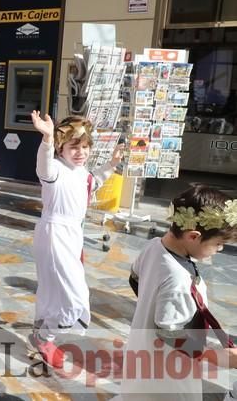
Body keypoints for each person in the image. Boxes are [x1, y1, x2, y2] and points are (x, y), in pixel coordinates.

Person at [117, 185, 237, 400]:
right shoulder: (178, 279)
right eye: (218, 244)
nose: (218, 250)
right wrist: (214, 356)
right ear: (193, 236)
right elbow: (168, 332)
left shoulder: (154, 246)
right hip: (168, 368)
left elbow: (134, 278)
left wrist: (151, 303)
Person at [29, 111, 123, 368]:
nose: (80, 152)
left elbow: (92, 182)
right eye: (74, 146)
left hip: (71, 236)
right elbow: (44, 166)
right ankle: (44, 336)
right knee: (75, 297)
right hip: (54, 234)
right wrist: (47, 138)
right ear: (61, 147)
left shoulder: (81, 172)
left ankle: (43, 330)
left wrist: (112, 164)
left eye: (85, 146)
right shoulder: (55, 169)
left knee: (53, 288)